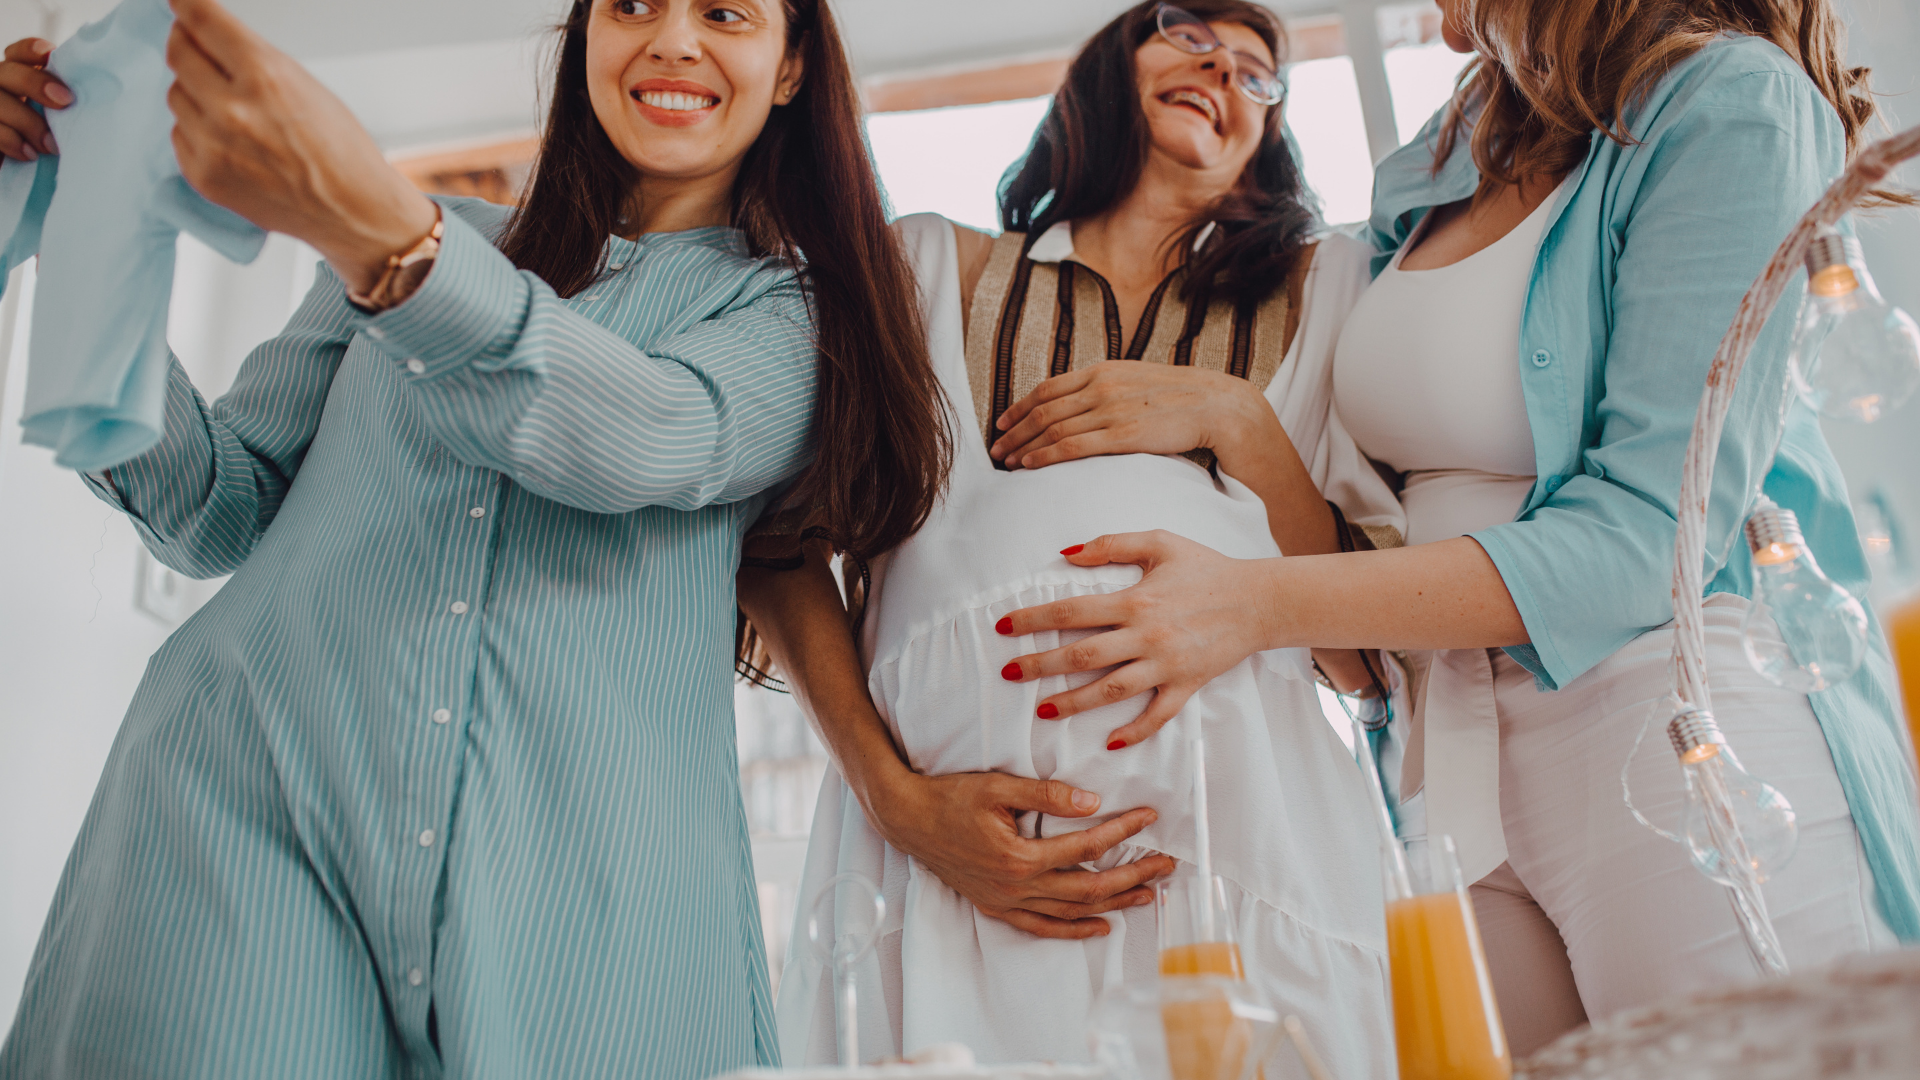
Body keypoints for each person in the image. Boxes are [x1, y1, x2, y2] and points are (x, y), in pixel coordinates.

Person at [0, 0, 947, 1075]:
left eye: (725, 11)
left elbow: (644, 435)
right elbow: (213, 509)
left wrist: (394, 248)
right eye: (632, 5)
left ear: (788, 69)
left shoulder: (788, 319)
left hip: (580, 876)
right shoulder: (418, 244)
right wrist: (68, 238)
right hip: (239, 802)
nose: (672, 39)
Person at [995, 0, 1920, 1057]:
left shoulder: (1731, 101)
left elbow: (1647, 537)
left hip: (1676, 725)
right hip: (1449, 762)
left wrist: (1246, 605)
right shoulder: (1438, 161)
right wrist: (1236, 427)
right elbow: (1380, 596)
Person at [737, 3, 1404, 1073]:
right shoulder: (925, 266)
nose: (1222, 70)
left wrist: (1236, 423)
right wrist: (894, 801)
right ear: (1107, 68)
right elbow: (772, 541)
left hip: (1245, 842)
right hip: (950, 858)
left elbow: (1361, 657)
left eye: (1255, 73)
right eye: (1189, 37)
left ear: (1265, 144)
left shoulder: (1323, 294)